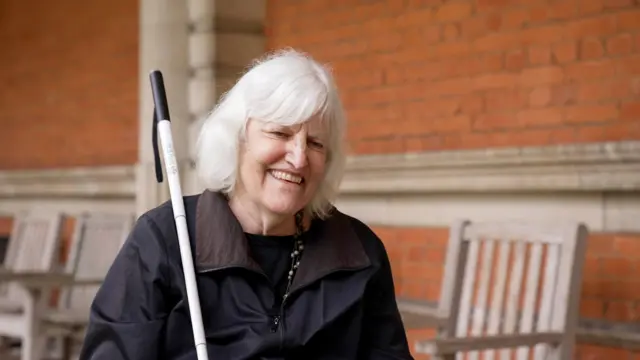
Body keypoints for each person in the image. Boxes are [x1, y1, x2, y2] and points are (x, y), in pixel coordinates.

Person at [79, 48, 414, 360]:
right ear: (236, 138)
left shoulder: (358, 251)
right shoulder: (163, 241)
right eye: (280, 134)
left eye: (314, 143)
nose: (298, 159)